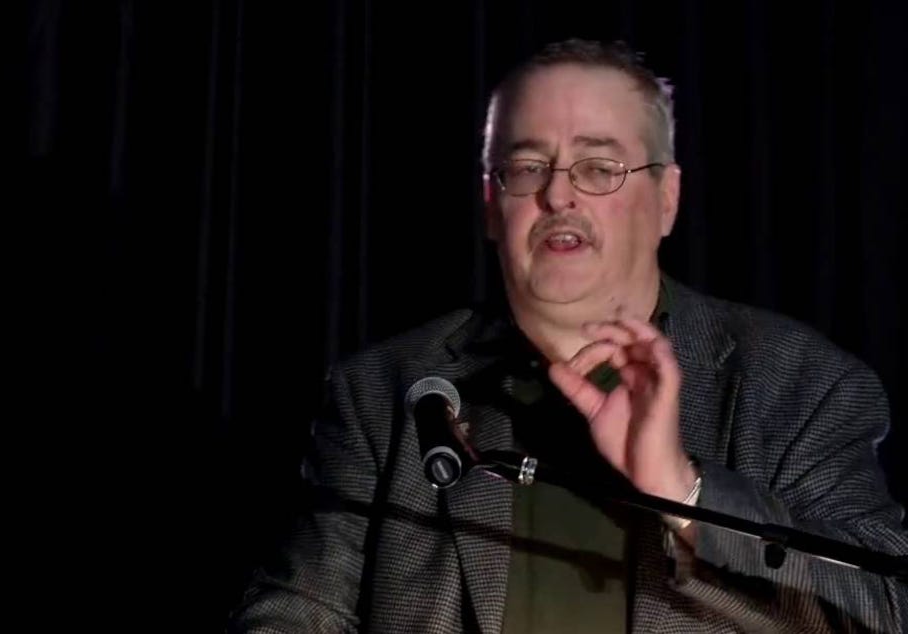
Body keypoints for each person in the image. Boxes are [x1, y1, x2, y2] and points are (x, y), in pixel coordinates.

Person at [228, 38, 908, 633]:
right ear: (490, 204)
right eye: (527, 167)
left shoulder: (800, 383)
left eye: (599, 167)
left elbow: (879, 612)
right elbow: (297, 613)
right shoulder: (383, 392)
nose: (558, 195)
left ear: (666, 199)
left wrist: (683, 490)